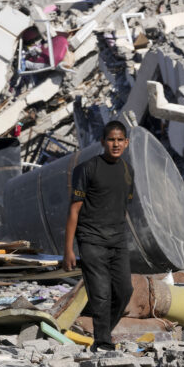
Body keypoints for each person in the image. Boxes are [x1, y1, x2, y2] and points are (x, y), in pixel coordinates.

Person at [62, 121, 134, 352]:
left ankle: (103, 334)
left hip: (117, 241)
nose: (115, 144)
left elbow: (123, 206)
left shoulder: (127, 170)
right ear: (103, 142)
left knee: (125, 291)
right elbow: (74, 210)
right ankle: (103, 343)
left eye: (120, 139)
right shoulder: (87, 168)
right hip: (91, 239)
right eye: (111, 139)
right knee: (101, 293)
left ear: (126, 142)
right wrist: (69, 249)